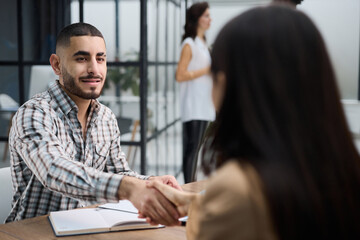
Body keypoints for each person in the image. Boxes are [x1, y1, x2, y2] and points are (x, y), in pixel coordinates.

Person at [147, 4, 360, 239]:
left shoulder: (240, 187)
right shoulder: (342, 169)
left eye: (214, 75)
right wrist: (192, 202)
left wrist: (208, 210)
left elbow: (235, 209)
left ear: (233, 85)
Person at [5, 22, 182, 225]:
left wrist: (150, 183)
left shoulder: (106, 117)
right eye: (81, 59)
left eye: (100, 59)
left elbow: (119, 173)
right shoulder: (33, 113)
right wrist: (129, 188)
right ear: (56, 65)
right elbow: (53, 171)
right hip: (31, 233)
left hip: (83, 228)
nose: (94, 69)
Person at [176, 1, 215, 183]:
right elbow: (180, 75)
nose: (210, 19)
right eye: (206, 15)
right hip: (193, 106)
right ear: (197, 19)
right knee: (192, 149)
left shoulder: (201, 43)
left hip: (203, 104)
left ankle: (190, 187)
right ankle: (188, 189)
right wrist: (206, 70)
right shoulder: (189, 44)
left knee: (196, 148)